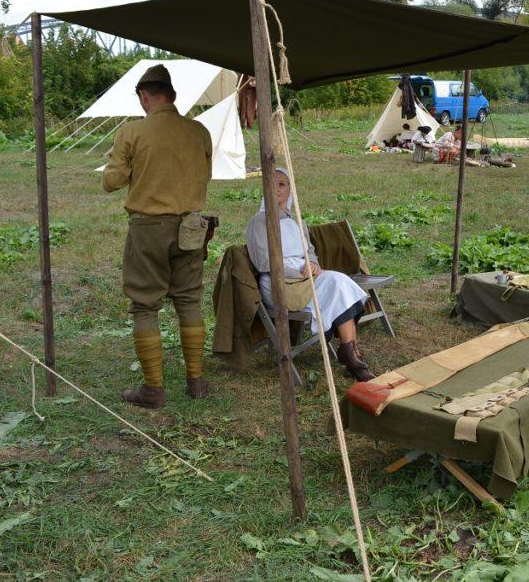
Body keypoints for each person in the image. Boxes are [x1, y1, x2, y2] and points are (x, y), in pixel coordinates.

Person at [103, 64, 213, 409]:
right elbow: (204, 175)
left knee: (145, 304)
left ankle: (154, 389)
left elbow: (111, 182)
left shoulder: (132, 132)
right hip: (192, 226)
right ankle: (195, 381)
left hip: (148, 227)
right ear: (173, 96)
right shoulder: (199, 131)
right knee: (189, 300)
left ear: (144, 96)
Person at [245, 168, 374, 382]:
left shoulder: (296, 220)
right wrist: (298, 270)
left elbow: (310, 250)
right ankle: (352, 358)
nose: (276, 189)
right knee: (339, 285)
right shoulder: (259, 222)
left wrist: (313, 264)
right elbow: (263, 262)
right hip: (280, 284)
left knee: (341, 283)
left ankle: (350, 354)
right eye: (271, 183)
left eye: (282, 184)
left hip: (306, 277)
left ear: (290, 190)